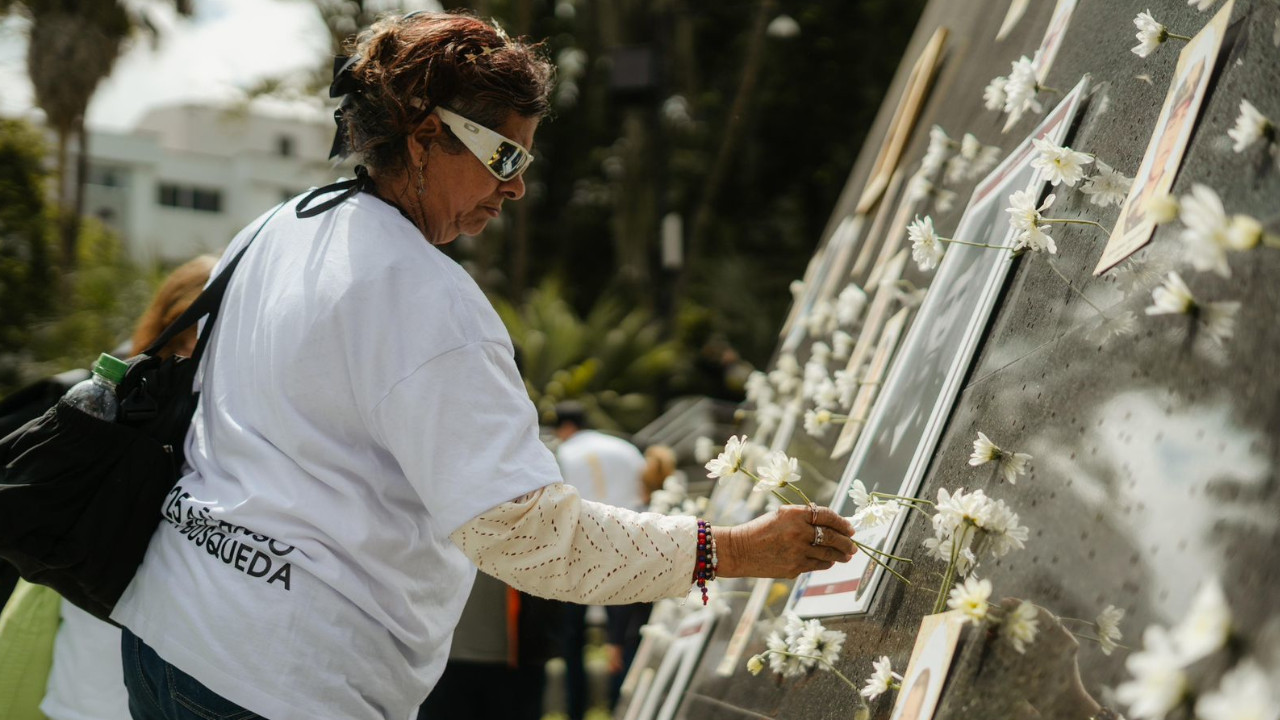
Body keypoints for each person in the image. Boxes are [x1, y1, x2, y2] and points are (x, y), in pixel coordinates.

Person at [110, 12, 858, 720]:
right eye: (504, 156)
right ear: (424, 137)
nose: (517, 186)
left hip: (167, 630)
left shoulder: (276, 227)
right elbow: (527, 535)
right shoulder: (421, 296)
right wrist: (731, 550)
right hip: (279, 677)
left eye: (525, 159)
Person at [552, 402, 649, 718]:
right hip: (627, 546)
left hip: (578, 553)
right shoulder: (625, 449)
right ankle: (621, 704)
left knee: (573, 638)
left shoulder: (563, 454)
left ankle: (575, 709)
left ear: (563, 428)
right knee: (624, 633)